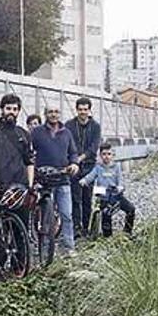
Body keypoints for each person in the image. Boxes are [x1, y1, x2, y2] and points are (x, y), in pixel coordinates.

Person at [30, 105, 79, 253]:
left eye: (56, 112)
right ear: (45, 114)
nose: (53, 114)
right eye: (50, 112)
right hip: (44, 181)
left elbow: (73, 152)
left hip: (63, 178)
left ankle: (69, 247)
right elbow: (29, 152)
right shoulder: (36, 132)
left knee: (66, 214)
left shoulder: (66, 133)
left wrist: (74, 163)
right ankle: (44, 249)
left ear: (60, 114)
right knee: (46, 218)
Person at [79, 143, 135, 237]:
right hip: (103, 195)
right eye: (104, 154)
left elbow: (120, 181)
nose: (106, 157)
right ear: (100, 155)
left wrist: (120, 187)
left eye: (109, 154)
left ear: (112, 155)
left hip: (115, 194)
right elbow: (90, 176)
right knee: (106, 212)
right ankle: (107, 236)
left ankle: (127, 232)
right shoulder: (98, 167)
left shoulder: (116, 167)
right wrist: (84, 180)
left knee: (131, 209)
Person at [65, 97, 102, 238]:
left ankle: (86, 227)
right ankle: (76, 227)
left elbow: (94, 148)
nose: (83, 112)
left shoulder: (95, 126)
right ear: (76, 110)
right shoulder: (69, 125)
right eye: (80, 109)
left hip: (89, 166)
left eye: (85, 109)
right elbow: (66, 143)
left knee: (87, 198)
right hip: (74, 167)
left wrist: (79, 158)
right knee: (75, 198)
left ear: (89, 110)